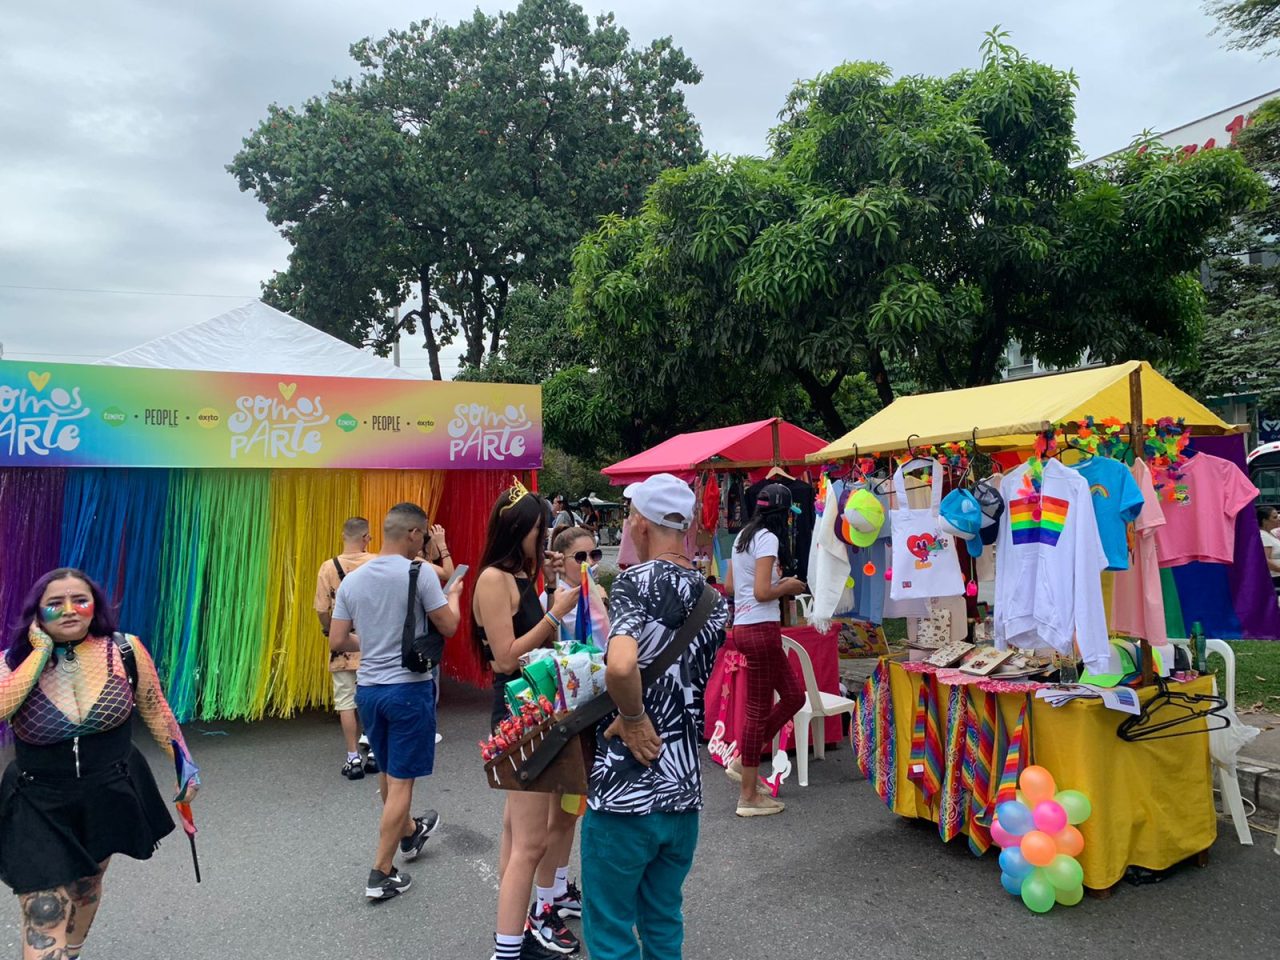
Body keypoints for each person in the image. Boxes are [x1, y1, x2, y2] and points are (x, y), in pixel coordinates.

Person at [0, 568, 199, 960]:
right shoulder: (10, 661)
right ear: (36, 613)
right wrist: (39, 654)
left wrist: (185, 764)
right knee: (44, 909)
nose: (70, 610)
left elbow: (155, 706)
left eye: (80, 600)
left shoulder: (125, 649)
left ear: (96, 606)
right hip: (37, 799)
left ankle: (71, 951)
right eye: (55, 604)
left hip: (109, 788)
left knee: (86, 885)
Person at [581, 473, 728, 960]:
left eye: (628, 516)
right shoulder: (714, 600)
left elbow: (621, 664)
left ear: (640, 524)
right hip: (683, 788)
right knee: (663, 919)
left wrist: (635, 715)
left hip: (626, 789)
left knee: (610, 928)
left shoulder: (632, 583)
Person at [329, 502, 463, 901]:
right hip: (408, 688)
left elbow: (338, 641)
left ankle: (408, 833)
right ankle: (380, 872)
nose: (422, 542)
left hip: (369, 690)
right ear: (412, 534)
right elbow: (450, 626)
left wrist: (371, 642)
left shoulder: (352, 581)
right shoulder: (418, 573)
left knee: (389, 773)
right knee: (402, 782)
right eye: (422, 536)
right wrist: (453, 593)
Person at [473, 481, 580, 960]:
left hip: (536, 711)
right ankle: (507, 950)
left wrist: (551, 583)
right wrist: (555, 614)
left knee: (519, 837)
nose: (544, 539)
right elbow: (506, 658)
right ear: (518, 530)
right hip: (520, 713)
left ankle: (513, 936)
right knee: (529, 844)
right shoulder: (493, 580)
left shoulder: (518, 577)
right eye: (540, 531)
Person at [724, 482, 807, 817]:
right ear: (782, 513)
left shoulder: (743, 536)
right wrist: (786, 585)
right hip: (761, 627)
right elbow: (761, 591)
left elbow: (731, 586)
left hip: (745, 627)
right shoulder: (768, 538)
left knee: (794, 696)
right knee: (758, 709)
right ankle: (748, 794)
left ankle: (743, 759)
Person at [315, 516, 378, 780]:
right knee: (373, 699)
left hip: (342, 647)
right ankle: (375, 752)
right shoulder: (377, 563)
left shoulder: (328, 567)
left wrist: (331, 630)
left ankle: (352, 757)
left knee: (345, 702)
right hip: (374, 645)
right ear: (366, 538)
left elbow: (320, 609)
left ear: (343, 535)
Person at [1259, 506, 1280, 583]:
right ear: (1265, 521)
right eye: (1275, 517)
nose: (1278, 519)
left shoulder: (1270, 534)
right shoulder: (1263, 535)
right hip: (1275, 578)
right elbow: (1266, 560)